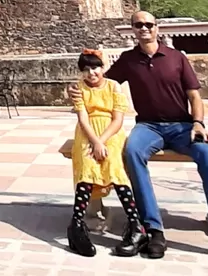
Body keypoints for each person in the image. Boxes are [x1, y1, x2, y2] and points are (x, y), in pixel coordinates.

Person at [67, 11, 208, 265]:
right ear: (133, 29)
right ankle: (152, 229)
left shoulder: (176, 58)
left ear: (157, 28)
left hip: (182, 125)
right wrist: (73, 86)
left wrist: (198, 123)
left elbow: (194, 97)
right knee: (132, 152)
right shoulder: (129, 60)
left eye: (148, 24)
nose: (144, 29)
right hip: (148, 126)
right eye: (138, 25)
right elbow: (98, 79)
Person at [67, 49, 145, 258]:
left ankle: (136, 225)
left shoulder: (113, 87)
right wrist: (94, 142)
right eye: (86, 69)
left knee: (116, 171)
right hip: (87, 133)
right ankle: (76, 225)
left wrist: (102, 142)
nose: (91, 73)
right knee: (87, 170)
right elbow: (83, 118)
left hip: (111, 133)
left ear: (103, 68)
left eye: (95, 68)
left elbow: (118, 119)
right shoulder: (79, 89)